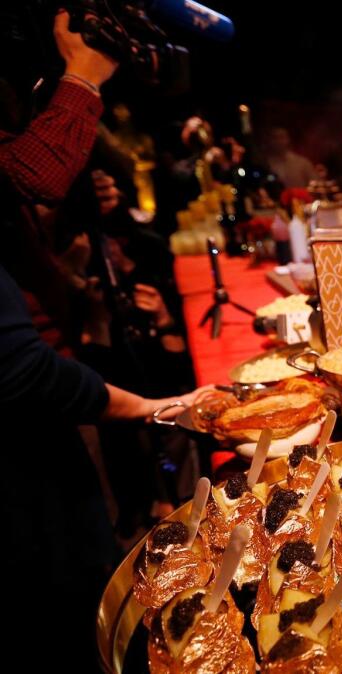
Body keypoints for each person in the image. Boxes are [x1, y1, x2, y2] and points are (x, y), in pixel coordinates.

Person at [0, 12, 207, 665]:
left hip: (54, 399)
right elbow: (19, 366)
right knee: (78, 607)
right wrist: (83, 80)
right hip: (24, 462)